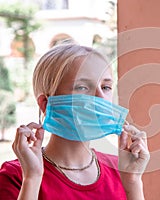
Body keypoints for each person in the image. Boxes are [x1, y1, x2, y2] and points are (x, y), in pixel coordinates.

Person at [0, 43, 150, 200]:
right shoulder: (15, 176)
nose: (100, 98)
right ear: (46, 103)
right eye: (82, 87)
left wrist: (133, 183)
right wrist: (32, 178)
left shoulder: (121, 170)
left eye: (106, 87)